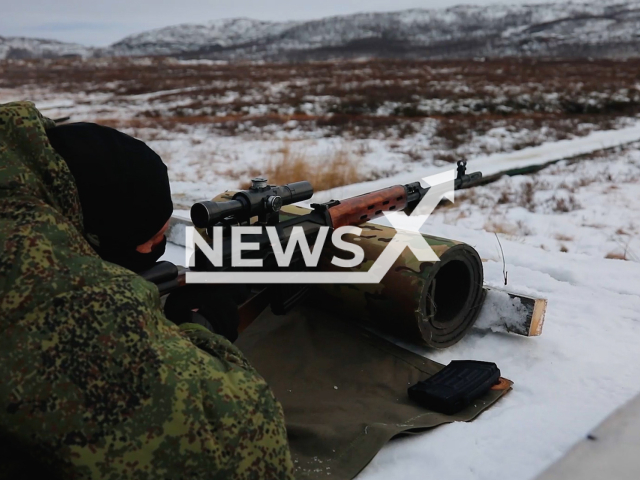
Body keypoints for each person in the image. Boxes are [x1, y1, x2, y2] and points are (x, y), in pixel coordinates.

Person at [0, 101, 294, 479]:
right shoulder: (43, 274)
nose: (159, 246)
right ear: (94, 237)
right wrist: (202, 327)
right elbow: (241, 444)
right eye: (152, 238)